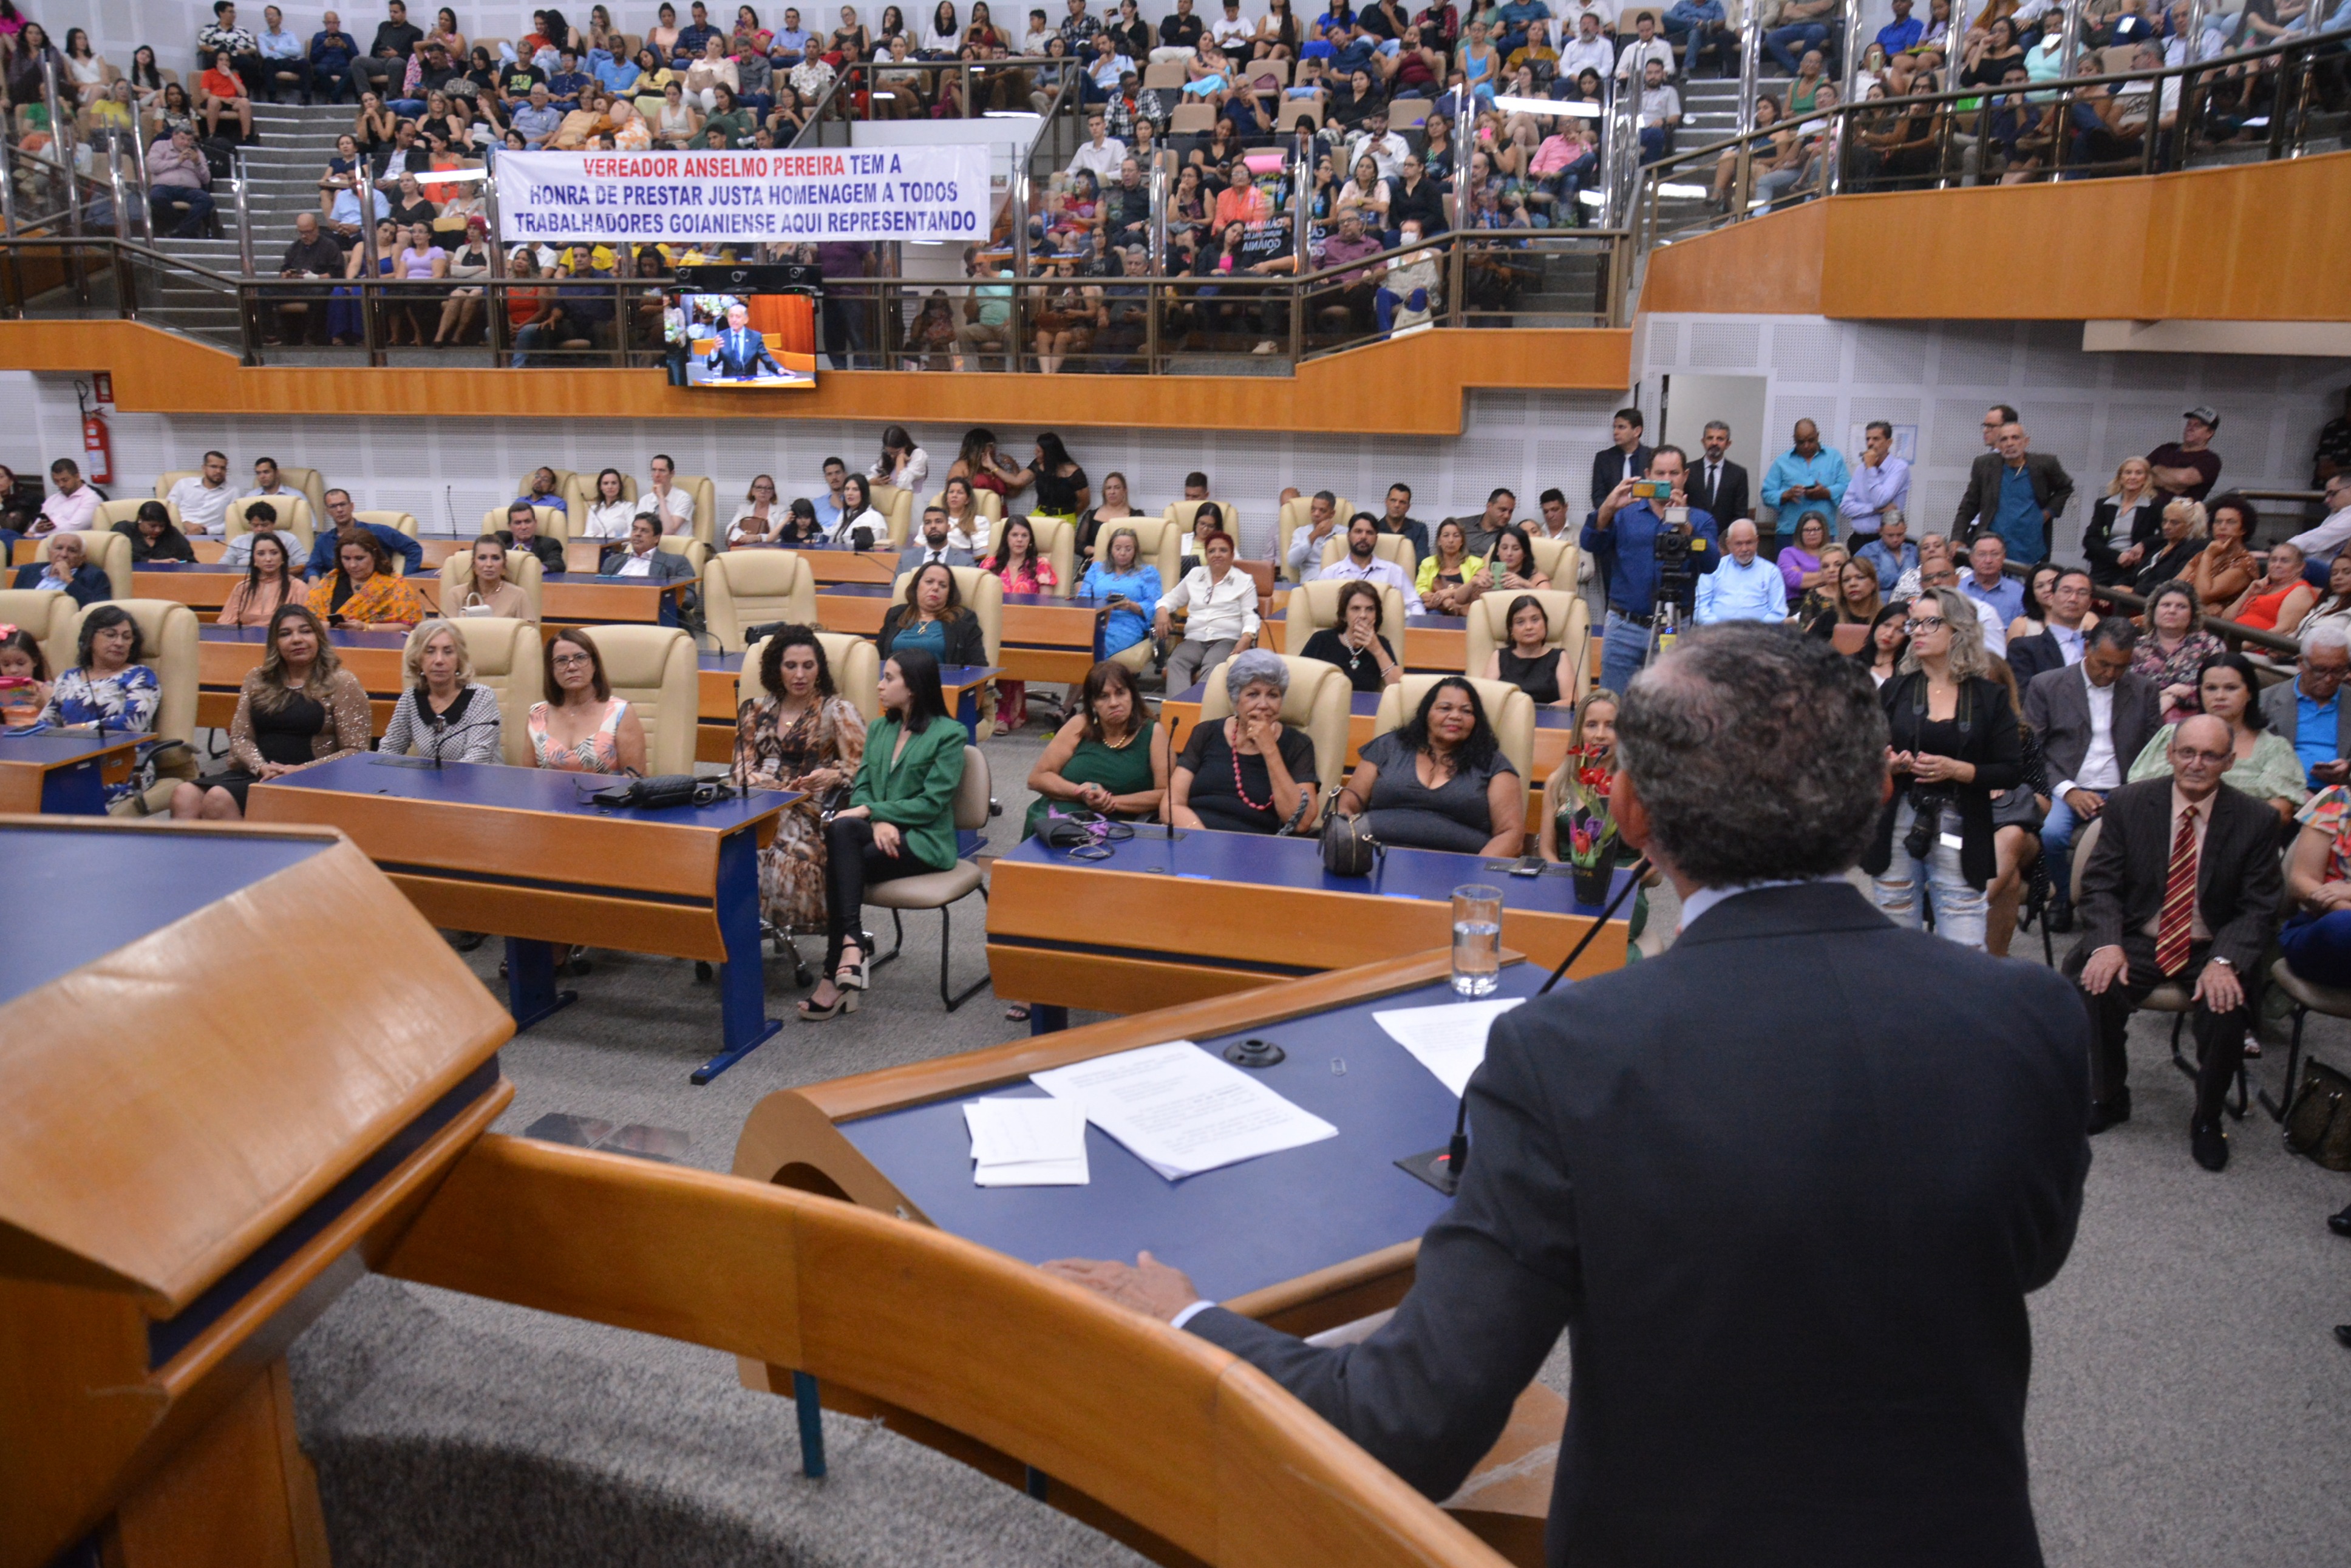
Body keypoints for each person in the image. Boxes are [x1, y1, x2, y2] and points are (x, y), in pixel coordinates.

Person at [1046, 624, 2093, 1568]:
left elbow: (1408, 1419)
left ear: (1629, 810)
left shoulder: (1571, 1052)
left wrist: (1183, 1315)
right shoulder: (2031, 1014)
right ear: (1873, 796)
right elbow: (2026, 1250)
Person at [2067, 713, 2281, 1168]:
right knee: (2095, 985)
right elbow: (2100, 884)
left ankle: (2207, 1118)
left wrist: (2225, 960)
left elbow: (2259, 906)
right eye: (2187, 752)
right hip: (2140, 936)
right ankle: (2109, 1096)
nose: (2196, 764)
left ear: (2229, 761)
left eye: (2210, 755)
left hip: (2211, 943)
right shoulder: (2130, 803)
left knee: (2225, 1008)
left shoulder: (2257, 819)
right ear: (2170, 754)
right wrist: (2106, 944)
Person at [806, 647, 968, 1020]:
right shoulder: (880, 729)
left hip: (925, 841)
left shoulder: (950, 734)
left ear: (913, 687)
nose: (880, 685)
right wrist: (877, 820)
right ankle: (851, 947)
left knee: (841, 862)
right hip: (880, 835)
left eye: (889, 678)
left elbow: (932, 804)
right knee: (844, 832)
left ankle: (835, 973)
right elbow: (863, 787)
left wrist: (872, 812)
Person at [1864, 586, 2023, 950]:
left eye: (1930, 623)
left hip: (1962, 822)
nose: (1917, 631)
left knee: (1965, 943)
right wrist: (1889, 765)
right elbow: (1862, 758)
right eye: (1914, 624)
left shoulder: (1990, 697)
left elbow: (2012, 771)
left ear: (1959, 630)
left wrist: (1959, 770)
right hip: (1898, 821)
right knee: (1897, 943)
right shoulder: (1894, 690)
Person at [2025, 617, 2162, 933]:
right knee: (2051, 833)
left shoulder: (2145, 690)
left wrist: (2132, 793)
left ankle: (2118, 910)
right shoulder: (2047, 685)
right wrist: (2068, 791)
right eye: (2104, 664)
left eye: (2120, 667)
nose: (2110, 674)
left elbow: (2154, 751)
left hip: (2124, 788)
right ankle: (2062, 898)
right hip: (2066, 786)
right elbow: (2032, 751)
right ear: (2087, 648)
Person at [733, 624, 869, 939]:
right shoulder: (753, 710)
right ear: (776, 669)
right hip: (759, 805)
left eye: (808, 666)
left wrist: (834, 775)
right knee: (726, 850)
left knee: (782, 855)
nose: (800, 675)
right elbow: (740, 771)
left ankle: (770, 928)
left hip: (812, 810)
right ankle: (731, 933)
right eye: (791, 666)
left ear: (819, 669)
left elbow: (865, 769)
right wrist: (778, 789)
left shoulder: (837, 711)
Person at [170, 605, 370, 818]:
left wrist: (302, 769)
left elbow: (356, 750)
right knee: (184, 794)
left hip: (311, 777)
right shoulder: (258, 678)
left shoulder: (342, 682)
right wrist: (260, 767)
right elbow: (240, 737)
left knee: (218, 798)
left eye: (305, 631)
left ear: (319, 637)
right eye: (285, 634)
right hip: (257, 772)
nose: (296, 639)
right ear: (275, 643)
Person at [1583, 444, 1721, 696]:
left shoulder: (1701, 520)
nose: (1667, 480)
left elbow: (1712, 563)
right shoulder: (1625, 514)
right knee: (1613, 705)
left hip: (1673, 627)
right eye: (1660, 473)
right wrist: (1607, 508)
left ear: (1685, 476)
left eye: (1674, 473)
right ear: (1648, 475)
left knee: (1669, 706)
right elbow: (1589, 543)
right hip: (1624, 627)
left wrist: (1686, 527)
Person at [1336, 676, 1522, 854]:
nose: (1456, 716)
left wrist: (1477, 871)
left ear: (1476, 720)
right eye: (1445, 708)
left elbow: (1510, 834)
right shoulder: (1388, 746)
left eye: (1467, 711)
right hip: (1372, 859)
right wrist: (1349, 847)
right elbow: (1349, 803)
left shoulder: (1493, 764)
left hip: (1459, 868)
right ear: (1426, 713)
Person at [2126, 651, 2304, 824]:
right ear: (2200, 692)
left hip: (2239, 836)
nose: (2220, 696)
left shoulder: (2274, 748)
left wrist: (2216, 824)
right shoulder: (2171, 736)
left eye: (2231, 688)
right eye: (2211, 688)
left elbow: (2281, 812)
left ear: (2250, 693)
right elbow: (2139, 791)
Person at [1022, 656, 1169, 846]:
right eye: (1104, 697)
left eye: (1120, 693)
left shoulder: (1153, 733)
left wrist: (1111, 802)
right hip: (1056, 821)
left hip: (1117, 827)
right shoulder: (1079, 725)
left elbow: (1166, 793)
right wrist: (1082, 793)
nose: (1114, 703)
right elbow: (1037, 778)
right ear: (1093, 703)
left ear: (1132, 695)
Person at [1168, 648, 1319, 833]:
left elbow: (1301, 823)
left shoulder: (1298, 745)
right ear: (1235, 699)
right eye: (1253, 694)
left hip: (1257, 845)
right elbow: (1172, 804)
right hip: (1195, 837)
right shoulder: (1206, 733)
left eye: (1273, 695)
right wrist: (1203, 838)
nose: (1263, 705)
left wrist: (1270, 749)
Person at [39, 607, 160, 809]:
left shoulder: (141, 676)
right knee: (27, 786)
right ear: (90, 638)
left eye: (127, 637)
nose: (120, 643)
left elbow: (133, 723)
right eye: (111, 635)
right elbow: (45, 723)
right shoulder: (68, 678)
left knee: (63, 792)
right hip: (69, 763)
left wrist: (82, 729)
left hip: (122, 766)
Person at [379, 619, 505, 763]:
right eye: (430, 652)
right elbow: (389, 750)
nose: (439, 660)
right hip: (428, 777)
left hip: (478, 777)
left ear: (459, 659)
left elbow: (478, 758)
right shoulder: (411, 699)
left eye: (448, 652)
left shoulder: (481, 697)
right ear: (418, 659)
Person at [529, 628, 648, 774]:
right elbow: (527, 777)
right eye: (561, 661)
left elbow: (635, 777)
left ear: (595, 665)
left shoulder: (621, 712)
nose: (572, 667)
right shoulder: (537, 714)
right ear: (551, 670)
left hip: (610, 790)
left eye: (580, 658)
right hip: (547, 790)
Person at [1154, 528, 1260, 693]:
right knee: (1176, 661)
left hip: (1227, 639)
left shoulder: (1244, 581)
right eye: (1211, 551)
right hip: (1195, 639)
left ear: (1232, 555)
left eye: (1223, 550)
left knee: (1213, 664)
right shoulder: (1195, 575)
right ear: (1206, 555)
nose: (1217, 555)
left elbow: (1251, 615)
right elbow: (1171, 599)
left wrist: (1247, 637)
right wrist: (1162, 610)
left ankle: (1201, 707)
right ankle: (1179, 708)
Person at [1954, 419, 2073, 563]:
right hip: (1992, 547)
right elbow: (1969, 505)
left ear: (2026, 442)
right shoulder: (1984, 465)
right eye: (2004, 439)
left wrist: (2047, 513)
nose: (2009, 443)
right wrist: (1957, 538)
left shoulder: (2045, 464)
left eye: (2015, 438)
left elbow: (2065, 487)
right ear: (1998, 445)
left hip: (2030, 546)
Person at [983, 517, 1057, 729]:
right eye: (1015, 535)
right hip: (995, 624)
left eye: (1024, 536)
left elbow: (1046, 604)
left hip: (1029, 627)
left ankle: (1003, 715)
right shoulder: (991, 565)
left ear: (1030, 540)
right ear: (1006, 538)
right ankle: (990, 710)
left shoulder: (1041, 565)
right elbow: (982, 598)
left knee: (1009, 649)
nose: (1019, 540)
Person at [2259, 622, 2351, 792]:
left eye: (2338, 671)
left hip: (2342, 793)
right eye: (2320, 670)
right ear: (2301, 663)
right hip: (2278, 790)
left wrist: (2348, 769)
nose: (2329, 679)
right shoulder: (2266, 701)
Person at [2134, 579, 2226, 724]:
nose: (2172, 611)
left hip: (2197, 723)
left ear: (2192, 614)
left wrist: (2175, 698)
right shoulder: (2136, 646)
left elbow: (2219, 688)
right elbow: (2125, 689)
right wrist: (2162, 695)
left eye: (2181, 607)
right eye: (2166, 605)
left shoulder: (2210, 645)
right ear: (2153, 610)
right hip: (2141, 720)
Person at [307, 528, 426, 629]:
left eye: (359, 558)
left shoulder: (394, 585)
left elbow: (409, 625)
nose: (352, 565)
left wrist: (366, 627)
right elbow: (307, 620)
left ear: (374, 555)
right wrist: (328, 626)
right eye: (346, 558)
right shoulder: (330, 582)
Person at [1299, 579, 1403, 693]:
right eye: (1356, 609)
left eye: (1370, 609)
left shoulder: (1381, 644)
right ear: (1344, 615)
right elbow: (1299, 680)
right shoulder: (1320, 640)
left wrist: (1378, 651)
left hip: (1365, 704)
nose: (1363, 615)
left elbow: (1398, 690)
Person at [878, 560, 988, 665]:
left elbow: (978, 666)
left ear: (949, 593)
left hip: (942, 679)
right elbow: (878, 659)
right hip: (894, 678)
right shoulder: (896, 615)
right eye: (929, 582)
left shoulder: (964, 620)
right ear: (916, 586)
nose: (935, 588)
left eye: (943, 585)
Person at [2006, 565, 2094, 687]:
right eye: (2066, 591)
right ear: (2053, 596)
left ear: (2090, 602)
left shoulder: (2098, 640)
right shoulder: (2025, 648)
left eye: (2082, 593)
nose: (2073, 599)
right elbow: (2025, 693)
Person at [2081, 455, 2161, 588]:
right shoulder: (2104, 504)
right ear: (2120, 477)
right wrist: (2117, 557)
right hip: (2105, 562)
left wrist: (2144, 544)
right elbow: (2090, 539)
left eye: (2139, 473)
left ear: (2146, 479)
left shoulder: (2154, 506)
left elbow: (2165, 535)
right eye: (2128, 472)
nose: (2133, 477)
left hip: (2134, 566)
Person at [1693, 518, 1788, 625]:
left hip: (1759, 633)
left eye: (1749, 543)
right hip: (1716, 632)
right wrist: (1720, 629)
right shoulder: (1713, 567)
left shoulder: (1771, 572)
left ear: (1757, 541)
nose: (1744, 549)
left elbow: (1777, 613)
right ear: (1728, 544)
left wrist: (1755, 631)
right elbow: (1700, 607)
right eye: (1739, 544)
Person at [2185, 491, 2257, 617]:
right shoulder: (2203, 555)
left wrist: (2208, 557)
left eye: (2231, 522)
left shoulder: (2245, 563)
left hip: (2212, 625)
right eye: (2218, 522)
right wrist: (2202, 607)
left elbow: (2202, 595)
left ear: (2243, 529)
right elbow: (2171, 588)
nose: (2222, 527)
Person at [1840, 419, 1911, 540]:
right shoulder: (1861, 469)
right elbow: (1845, 507)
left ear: (1889, 443)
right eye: (1868, 439)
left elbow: (1880, 501)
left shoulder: (1899, 468)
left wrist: (1871, 468)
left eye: (1876, 439)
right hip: (1858, 538)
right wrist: (1874, 510)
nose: (1870, 443)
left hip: (1885, 540)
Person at [219, 531, 303, 626]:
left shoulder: (298, 587)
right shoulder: (242, 588)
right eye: (261, 554)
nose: (268, 559)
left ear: (283, 558)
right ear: (254, 560)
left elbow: (307, 625)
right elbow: (225, 625)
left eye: (274, 553)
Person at [2231, 540, 2316, 634]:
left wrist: (2245, 642)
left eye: (2285, 561)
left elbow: (2284, 630)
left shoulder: (2300, 592)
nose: (2277, 565)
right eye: (2273, 560)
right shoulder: (2263, 588)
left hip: (2253, 642)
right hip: (2231, 637)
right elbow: (2226, 619)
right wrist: (2248, 593)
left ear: (2300, 567)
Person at [2131, 497, 2208, 597]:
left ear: (2190, 526)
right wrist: (2118, 587)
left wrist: (2134, 590)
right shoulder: (2161, 543)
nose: (2166, 527)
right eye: (2165, 521)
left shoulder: (2194, 549)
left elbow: (2172, 582)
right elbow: (2133, 576)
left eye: (2174, 523)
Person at [13, 532, 112, 608]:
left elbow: (100, 610)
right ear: (49, 552)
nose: (64, 554)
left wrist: (69, 580)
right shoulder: (28, 571)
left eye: (72, 551)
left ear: (82, 558)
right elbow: (13, 602)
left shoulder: (95, 576)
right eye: (59, 548)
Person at [2148, 406, 2223, 504]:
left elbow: (2183, 479)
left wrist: (2156, 469)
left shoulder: (2211, 460)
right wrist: (2171, 485)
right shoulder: (2166, 448)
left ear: (2209, 433)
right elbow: (2140, 473)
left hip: (2179, 511)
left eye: (2198, 426)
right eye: (2189, 424)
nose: (2191, 428)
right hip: (2147, 507)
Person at [1414, 518, 1484, 616]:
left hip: (1465, 613)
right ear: (1439, 541)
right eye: (1446, 536)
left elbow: (1476, 593)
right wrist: (1445, 601)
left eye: (1456, 536)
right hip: (1436, 611)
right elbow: (1421, 590)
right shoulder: (1428, 563)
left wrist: (1451, 593)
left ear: (1462, 541)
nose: (1451, 540)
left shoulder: (1476, 563)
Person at [448, 535, 531, 617]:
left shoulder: (519, 595)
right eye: (482, 558)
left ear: (504, 564)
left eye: (495, 558)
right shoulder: (456, 595)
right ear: (474, 564)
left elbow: (528, 627)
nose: (489, 564)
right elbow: (446, 626)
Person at [166, 450, 239, 538]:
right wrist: (184, 523)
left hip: (210, 537)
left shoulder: (232, 491)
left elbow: (234, 523)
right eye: (214, 467)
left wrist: (205, 531)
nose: (219, 471)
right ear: (204, 468)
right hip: (178, 533)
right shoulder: (183, 484)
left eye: (223, 468)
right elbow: (168, 511)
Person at [491, 498, 568, 578]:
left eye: (527, 522)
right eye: (518, 523)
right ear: (510, 526)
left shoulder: (549, 544)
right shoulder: (501, 540)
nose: (524, 527)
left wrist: (534, 568)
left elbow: (558, 564)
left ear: (535, 523)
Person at [1774, 509, 1834, 600]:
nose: (1812, 533)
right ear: (1800, 533)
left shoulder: (1833, 553)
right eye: (1807, 530)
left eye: (1817, 529)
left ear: (1824, 531)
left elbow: (1843, 576)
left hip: (1830, 600)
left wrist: (1804, 574)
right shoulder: (1788, 553)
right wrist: (1830, 576)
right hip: (1797, 602)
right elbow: (1794, 580)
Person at [33, 458, 101, 536]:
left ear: (77, 477)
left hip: (67, 541)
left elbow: (71, 530)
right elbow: (32, 529)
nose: (61, 485)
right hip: (40, 540)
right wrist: (37, 529)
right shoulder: (52, 499)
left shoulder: (91, 499)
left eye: (65, 480)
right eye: (57, 481)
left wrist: (37, 534)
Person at [899, 507, 978, 574]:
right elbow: (897, 587)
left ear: (948, 528)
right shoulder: (907, 558)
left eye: (938, 522)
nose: (933, 526)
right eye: (928, 522)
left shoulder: (965, 561)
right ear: (923, 530)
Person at [114, 501, 197, 565]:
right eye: (153, 526)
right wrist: (153, 561)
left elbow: (190, 561)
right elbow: (116, 554)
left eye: (162, 526)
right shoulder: (123, 529)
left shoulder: (171, 533)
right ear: (140, 519)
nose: (158, 530)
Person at [1856, 599, 1910, 687]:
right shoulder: (1853, 663)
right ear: (1876, 625)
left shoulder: (1907, 671)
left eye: (1900, 630)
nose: (1889, 634)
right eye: (1887, 625)